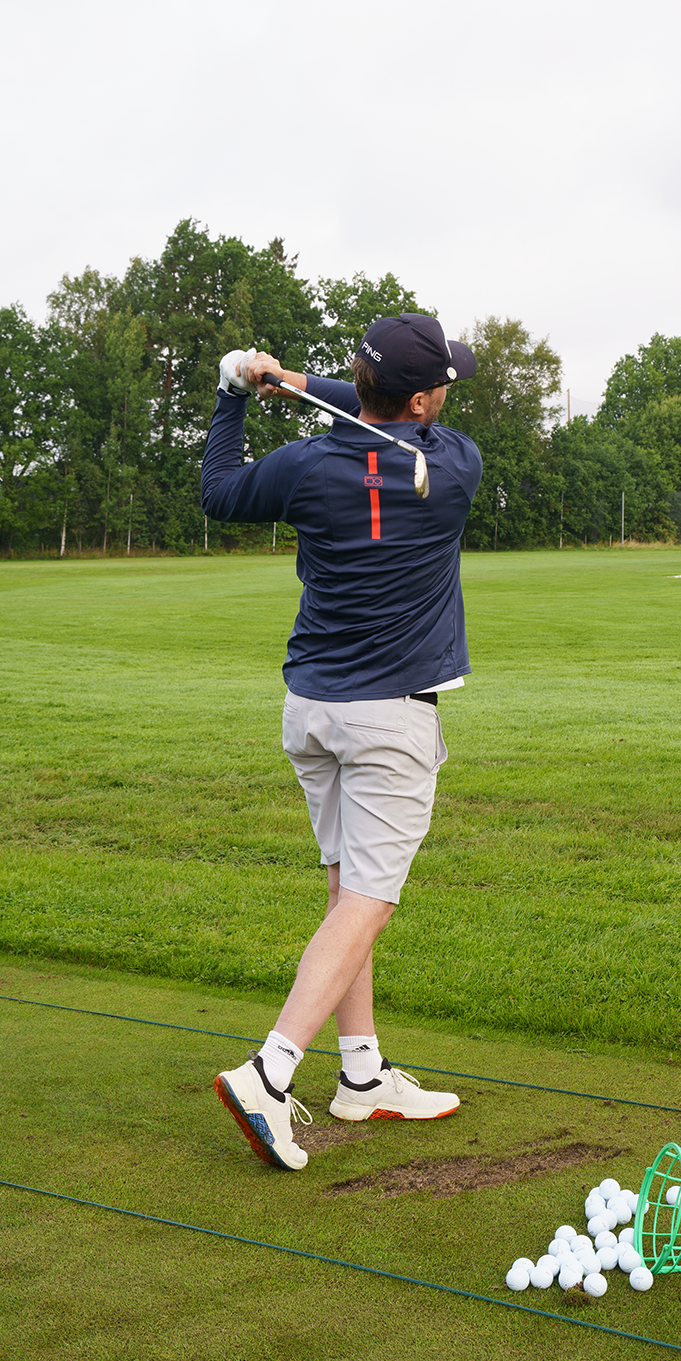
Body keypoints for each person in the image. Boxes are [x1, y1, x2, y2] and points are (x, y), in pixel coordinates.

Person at [202, 314, 482, 1171]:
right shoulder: (455, 466)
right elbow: (380, 412)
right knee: (371, 899)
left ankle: (361, 1079)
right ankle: (271, 1069)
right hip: (390, 719)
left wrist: (237, 396)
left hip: (313, 712)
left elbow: (218, 491)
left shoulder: (304, 467)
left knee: (344, 892)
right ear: (426, 399)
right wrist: (298, 383)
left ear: (359, 386)